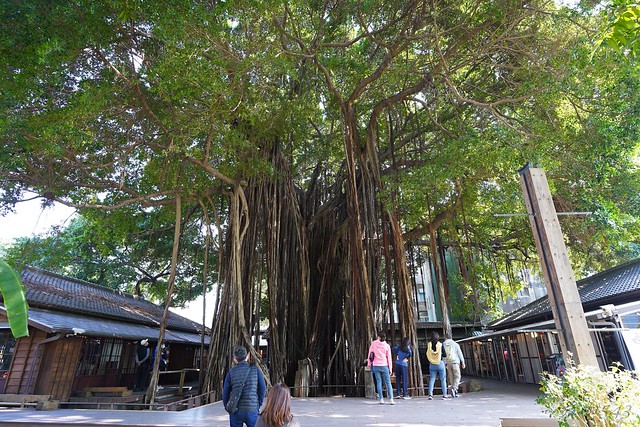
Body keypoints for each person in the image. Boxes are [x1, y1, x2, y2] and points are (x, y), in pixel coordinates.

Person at [222, 346, 267, 427]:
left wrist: (228, 407)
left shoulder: (231, 373)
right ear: (247, 356)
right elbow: (263, 389)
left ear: (235, 359)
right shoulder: (255, 370)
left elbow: (225, 393)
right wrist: (257, 405)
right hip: (252, 410)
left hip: (236, 410)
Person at [367, 331, 395, 405]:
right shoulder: (387, 346)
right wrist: (390, 368)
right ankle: (391, 399)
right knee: (388, 383)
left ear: (379, 337)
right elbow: (389, 358)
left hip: (376, 365)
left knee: (379, 382)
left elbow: (370, 354)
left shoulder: (374, 343)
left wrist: (369, 364)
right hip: (384, 365)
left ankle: (381, 399)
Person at [426, 331, 448, 400]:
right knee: (443, 379)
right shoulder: (440, 345)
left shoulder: (429, 345)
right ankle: (444, 395)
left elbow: (427, 353)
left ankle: (430, 394)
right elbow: (445, 355)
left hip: (432, 364)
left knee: (432, 379)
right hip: (440, 363)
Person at [443, 332, 465, 397]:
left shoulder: (443, 344)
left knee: (451, 377)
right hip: (455, 362)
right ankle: (454, 388)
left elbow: (443, 355)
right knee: (457, 376)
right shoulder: (455, 344)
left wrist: (445, 364)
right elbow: (459, 353)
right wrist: (463, 362)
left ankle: (454, 391)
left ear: (445, 337)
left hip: (448, 363)